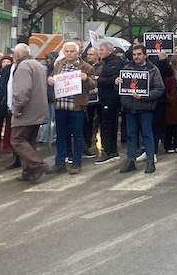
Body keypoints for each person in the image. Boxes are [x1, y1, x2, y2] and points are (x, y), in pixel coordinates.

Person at [46, 42, 96, 175]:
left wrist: (86, 79)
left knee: (78, 136)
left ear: (77, 53)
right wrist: (50, 79)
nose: (69, 54)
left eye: (72, 51)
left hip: (76, 107)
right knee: (61, 136)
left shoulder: (86, 67)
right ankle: (60, 163)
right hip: (60, 106)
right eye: (67, 51)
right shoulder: (59, 64)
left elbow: (93, 85)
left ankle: (76, 163)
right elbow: (52, 76)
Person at [116, 44, 165, 174]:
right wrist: (117, 83)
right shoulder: (127, 68)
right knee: (131, 135)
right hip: (129, 107)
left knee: (147, 134)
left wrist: (145, 96)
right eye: (134, 54)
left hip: (145, 108)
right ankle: (130, 161)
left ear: (145, 55)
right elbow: (121, 90)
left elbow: (160, 89)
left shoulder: (153, 70)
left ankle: (150, 161)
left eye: (139, 54)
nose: (136, 57)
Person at [9, 43, 49, 182]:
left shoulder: (23, 66)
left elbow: (22, 90)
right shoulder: (37, 64)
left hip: (27, 110)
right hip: (38, 109)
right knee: (29, 141)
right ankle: (29, 172)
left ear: (17, 54)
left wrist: (17, 107)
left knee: (17, 139)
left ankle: (37, 164)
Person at [93, 42, 123, 164]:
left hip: (110, 99)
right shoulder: (107, 62)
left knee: (107, 125)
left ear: (109, 51)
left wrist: (98, 80)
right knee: (109, 124)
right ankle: (112, 151)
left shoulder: (114, 63)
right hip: (106, 98)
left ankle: (108, 151)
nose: (99, 52)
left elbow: (113, 80)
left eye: (101, 50)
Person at [163, 53, 177, 153]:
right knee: (170, 124)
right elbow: (166, 87)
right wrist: (169, 99)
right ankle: (168, 144)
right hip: (171, 103)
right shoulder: (170, 73)